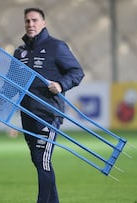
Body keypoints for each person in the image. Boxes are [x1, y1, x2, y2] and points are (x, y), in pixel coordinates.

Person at [13, 8, 85, 203]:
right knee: (39, 161)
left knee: (43, 161)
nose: (30, 24)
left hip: (48, 114)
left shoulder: (56, 47)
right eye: (27, 21)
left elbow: (77, 72)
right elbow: (12, 84)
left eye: (35, 20)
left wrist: (61, 85)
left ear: (43, 23)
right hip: (27, 115)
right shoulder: (19, 52)